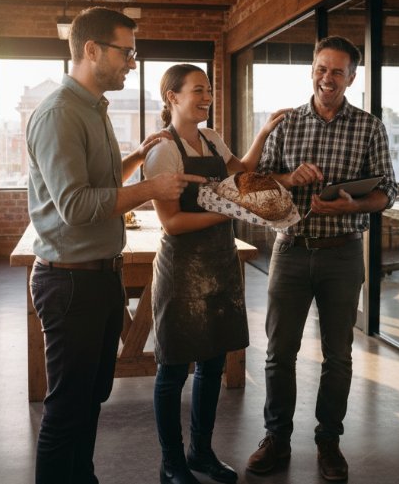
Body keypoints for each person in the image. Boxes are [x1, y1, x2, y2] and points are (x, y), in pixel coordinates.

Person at [25, 8, 206, 484]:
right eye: (126, 52)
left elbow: (98, 182)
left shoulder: (92, 107)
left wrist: (138, 158)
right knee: (67, 410)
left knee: (90, 400)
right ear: (91, 50)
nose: (131, 62)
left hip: (98, 276)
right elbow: (76, 205)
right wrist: (152, 188)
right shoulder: (61, 113)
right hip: (69, 283)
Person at [246, 36, 397, 482]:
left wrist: (352, 205)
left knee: (339, 357)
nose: (326, 78)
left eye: (337, 71)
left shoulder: (370, 127)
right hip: (290, 251)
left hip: (343, 255)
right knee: (278, 354)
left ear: (351, 78)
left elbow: (388, 191)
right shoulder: (287, 124)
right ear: (312, 70)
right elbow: (256, 183)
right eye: (320, 68)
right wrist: (290, 178)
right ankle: (276, 438)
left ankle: (329, 441)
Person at [144, 64, 288, 484]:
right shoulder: (162, 151)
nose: (206, 97)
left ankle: (200, 453)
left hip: (219, 264)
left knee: (211, 363)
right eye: (197, 91)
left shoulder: (210, 137)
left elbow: (239, 174)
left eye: (208, 90)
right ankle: (171, 463)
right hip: (181, 270)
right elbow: (171, 223)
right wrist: (231, 209)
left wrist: (262, 135)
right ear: (172, 97)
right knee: (172, 370)